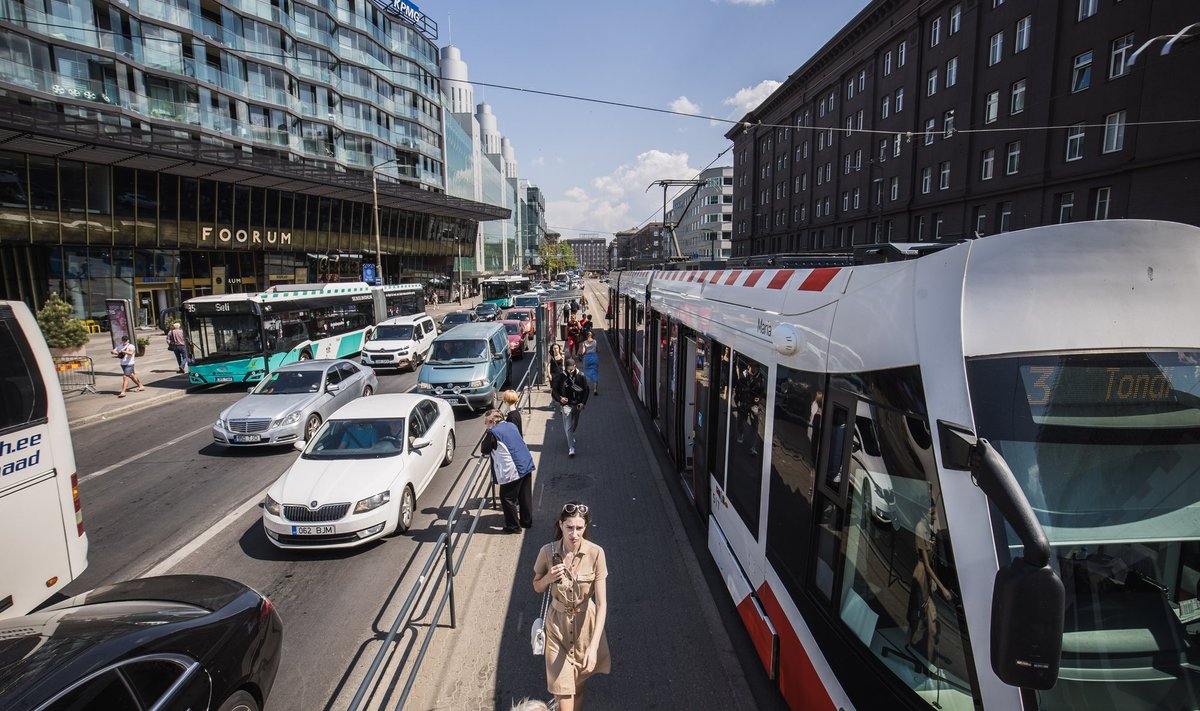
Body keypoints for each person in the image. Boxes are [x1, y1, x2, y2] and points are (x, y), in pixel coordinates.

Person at [532, 501, 610, 711]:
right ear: (560, 524)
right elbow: (537, 586)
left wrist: (593, 648)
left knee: (579, 687)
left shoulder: (596, 554)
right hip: (557, 629)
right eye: (569, 527)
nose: (574, 534)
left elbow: (602, 604)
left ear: (585, 527)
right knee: (564, 692)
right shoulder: (547, 552)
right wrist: (548, 577)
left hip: (586, 630)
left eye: (579, 528)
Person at [907, 502, 955, 676]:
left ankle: (927, 666)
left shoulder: (928, 527)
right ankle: (916, 656)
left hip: (929, 579)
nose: (934, 516)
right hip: (922, 578)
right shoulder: (920, 528)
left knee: (932, 629)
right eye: (932, 513)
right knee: (917, 620)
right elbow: (926, 565)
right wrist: (943, 588)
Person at [481, 409, 535, 532]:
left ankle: (513, 526)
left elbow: (484, 449)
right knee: (524, 495)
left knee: (507, 498)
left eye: (486, 422)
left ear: (492, 422)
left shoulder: (493, 432)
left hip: (513, 469)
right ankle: (526, 521)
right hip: (526, 462)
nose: (486, 425)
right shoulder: (510, 425)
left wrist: (489, 432)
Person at [552, 357, 590, 457]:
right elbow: (554, 391)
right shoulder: (561, 376)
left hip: (577, 404)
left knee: (575, 423)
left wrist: (583, 403)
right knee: (568, 425)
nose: (569, 371)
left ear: (575, 367)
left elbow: (586, 390)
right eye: (568, 369)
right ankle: (571, 448)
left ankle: (571, 435)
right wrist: (560, 398)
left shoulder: (581, 376)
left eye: (571, 369)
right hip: (566, 405)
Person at [579, 331, 599, 396]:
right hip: (594, 357)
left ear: (586, 336)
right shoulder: (595, 341)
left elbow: (583, 352)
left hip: (587, 358)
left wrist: (581, 354)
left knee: (586, 372)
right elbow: (597, 350)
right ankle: (595, 390)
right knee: (595, 373)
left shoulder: (584, 343)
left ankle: (586, 388)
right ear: (592, 335)